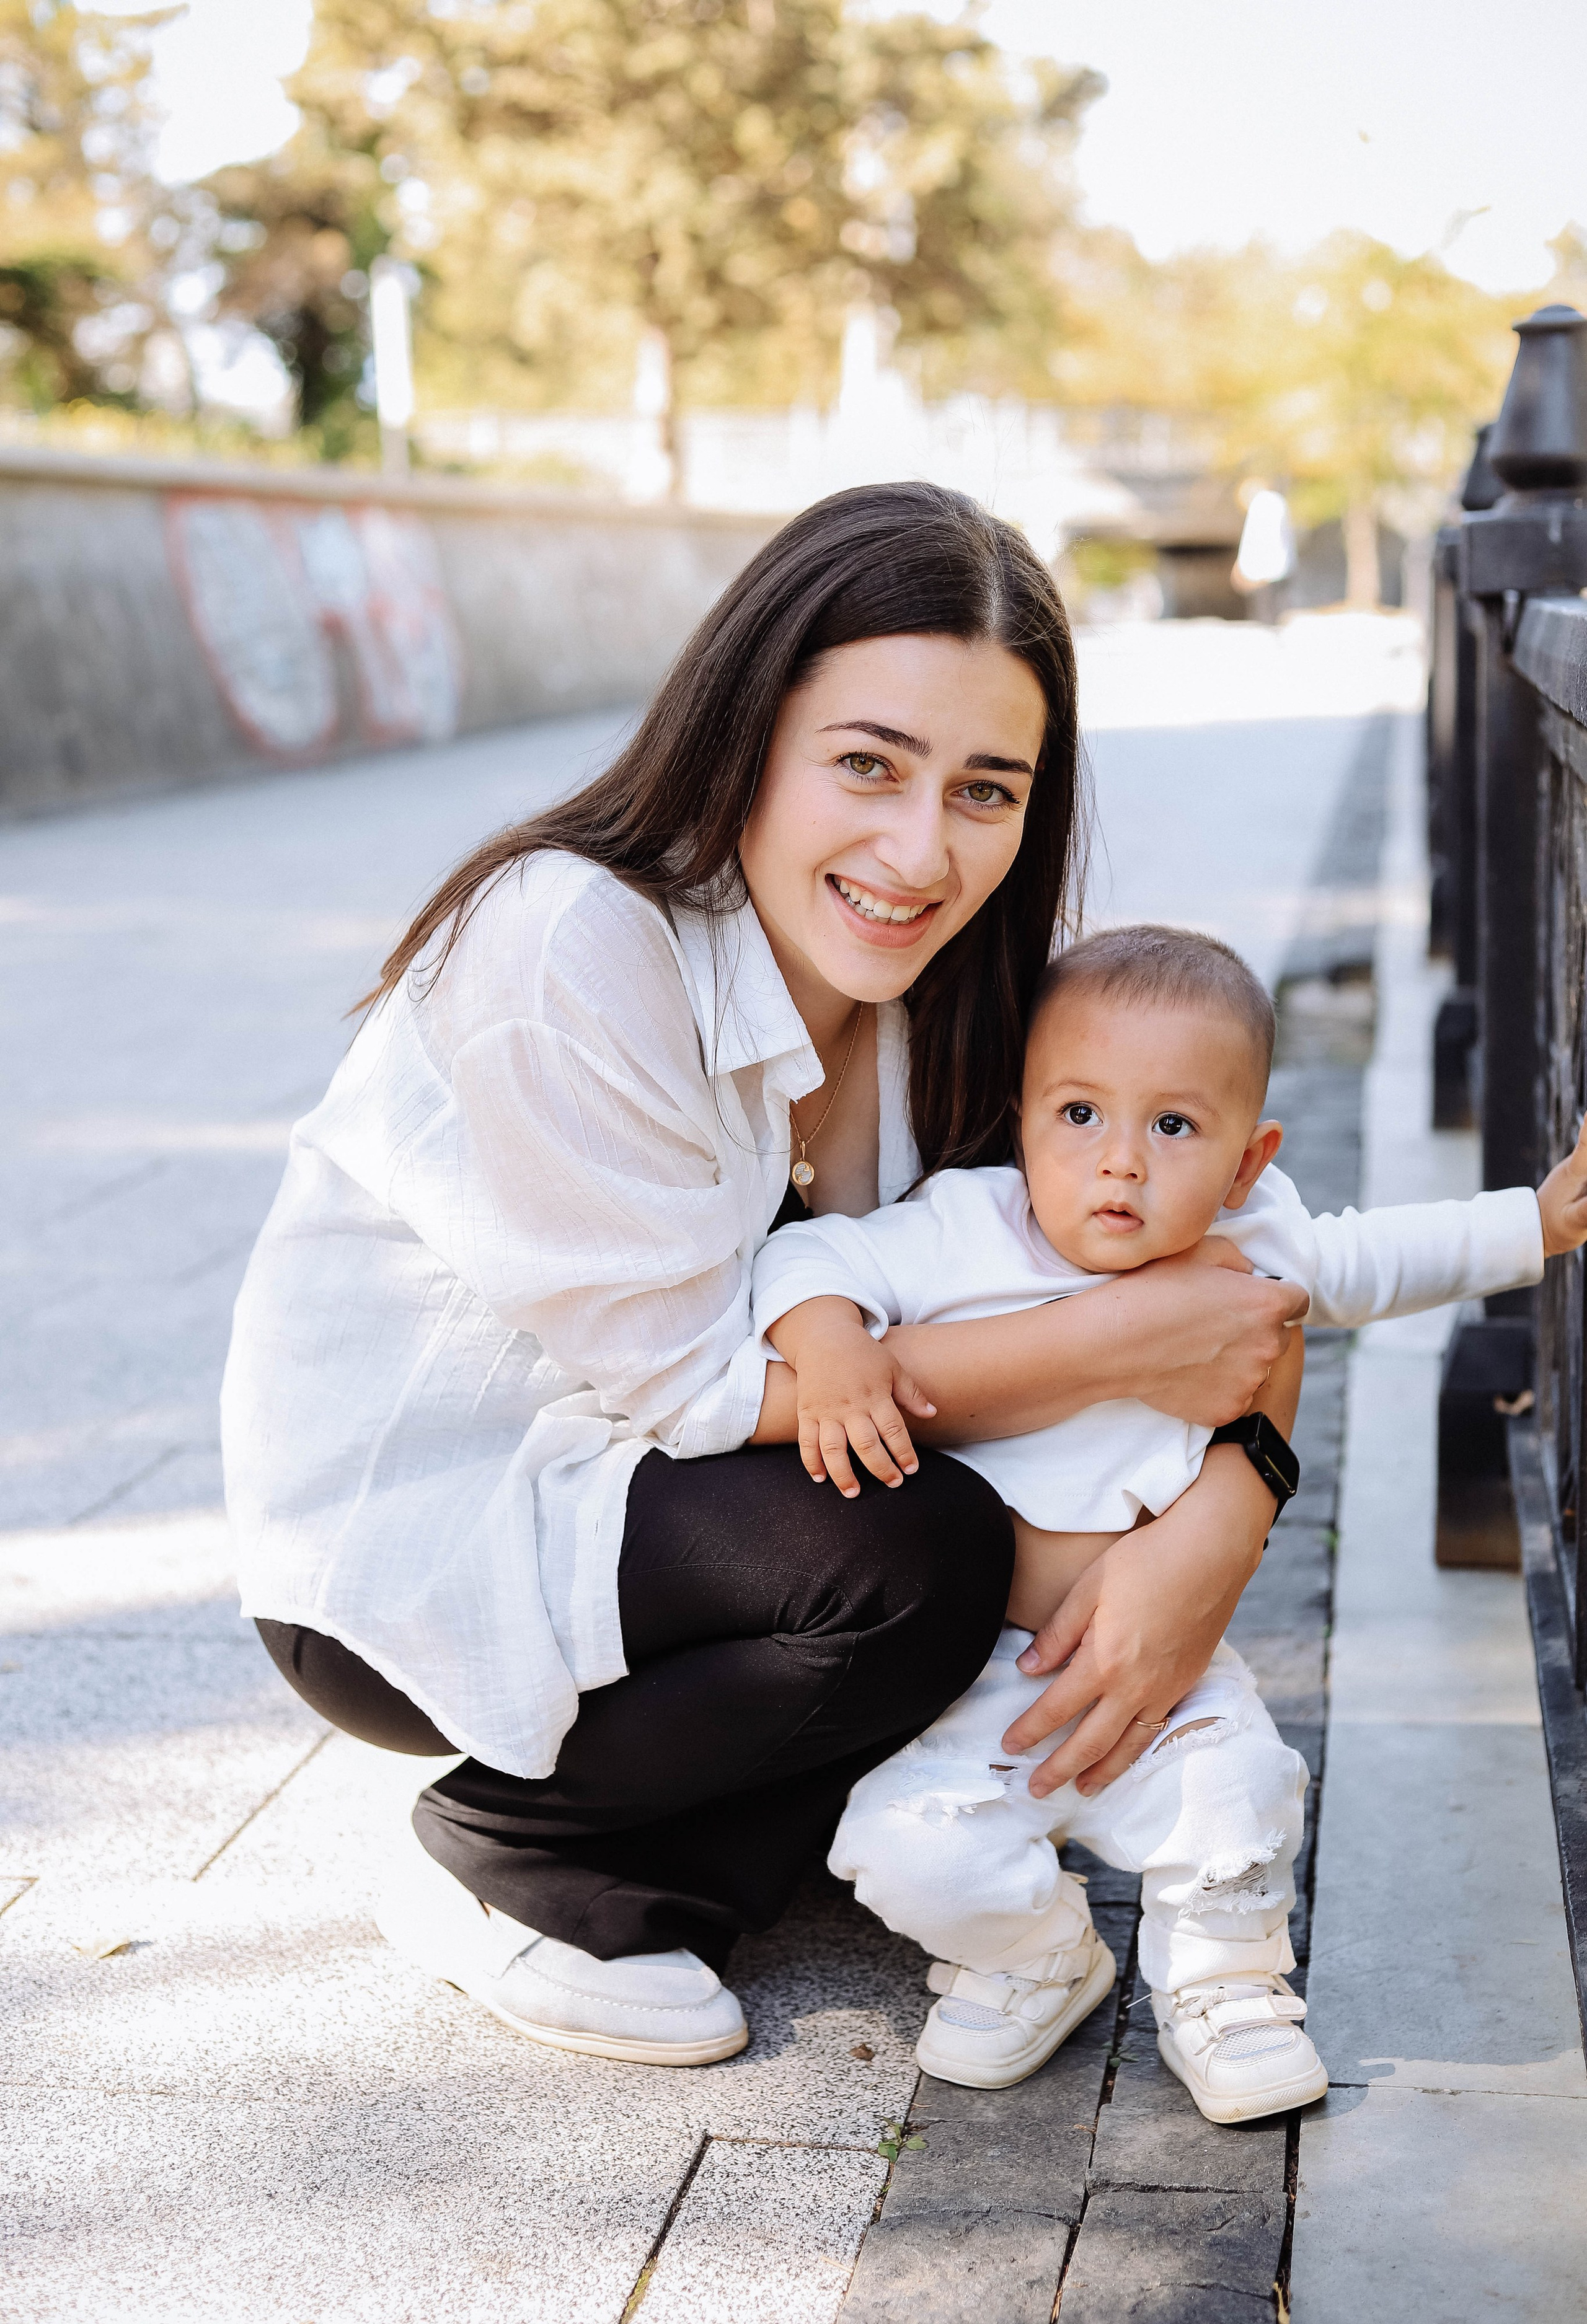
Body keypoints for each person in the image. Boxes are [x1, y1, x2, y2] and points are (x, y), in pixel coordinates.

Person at [221, 484, 1307, 2069]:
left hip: (690, 1500)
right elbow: (703, 1389)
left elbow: (1241, 1270)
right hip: (432, 1541)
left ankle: (737, 1835)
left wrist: (1221, 1518)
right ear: (749, 732)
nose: (919, 848)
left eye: (984, 790)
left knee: (950, 1541)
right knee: (916, 1547)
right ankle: (504, 1853)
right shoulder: (567, 945)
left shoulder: (954, 983)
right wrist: (1108, 1346)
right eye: (865, 764)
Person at [751, 923, 1587, 2120]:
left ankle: (1227, 1984)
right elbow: (814, 1257)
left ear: (1250, 1162)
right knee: (900, 1844)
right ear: (1024, 1114)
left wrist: (1538, 1225)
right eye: (1079, 1115)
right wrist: (831, 1342)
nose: (1120, 1167)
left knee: (1237, 1787)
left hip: (1169, 1676)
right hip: (981, 1677)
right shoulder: (963, 1229)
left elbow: (1377, 1253)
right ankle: (1038, 1951)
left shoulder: (1253, 1244)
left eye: (1174, 1127)